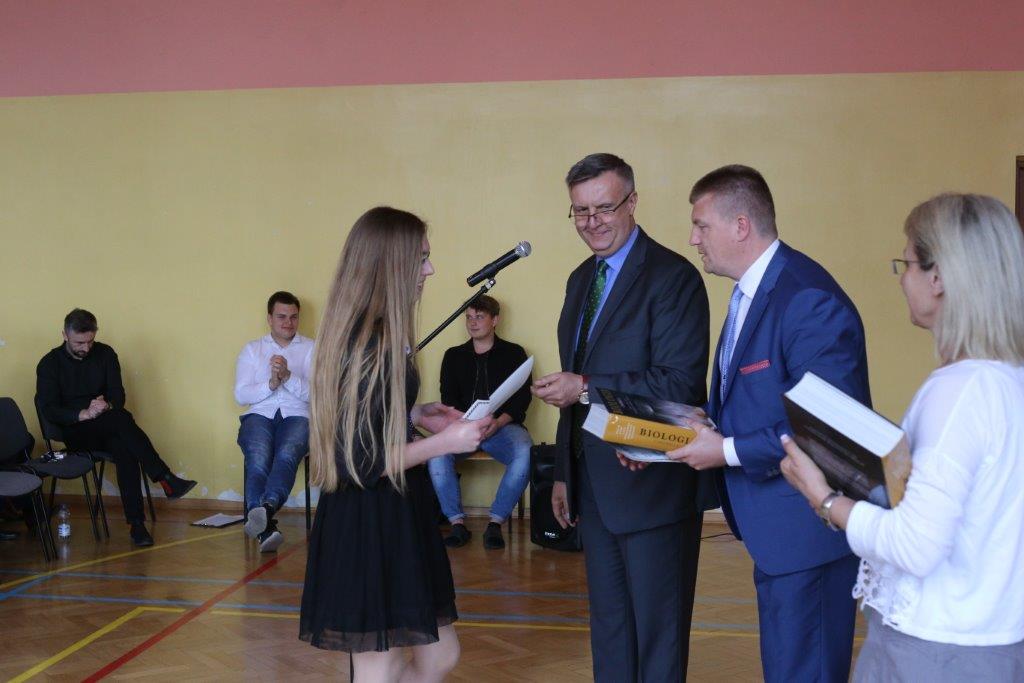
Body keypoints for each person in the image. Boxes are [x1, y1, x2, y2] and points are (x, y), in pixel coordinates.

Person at [780, 193, 1024, 680]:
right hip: (993, 640)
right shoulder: (1008, 379)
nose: (901, 278)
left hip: (934, 650)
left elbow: (915, 545)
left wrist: (825, 499)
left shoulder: (959, 392)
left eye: (906, 263)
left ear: (939, 278)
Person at [667, 165, 870, 682]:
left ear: (740, 226)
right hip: (780, 532)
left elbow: (826, 427)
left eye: (701, 225)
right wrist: (695, 424)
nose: (693, 239)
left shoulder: (806, 298)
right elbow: (760, 400)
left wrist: (724, 450)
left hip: (808, 531)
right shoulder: (756, 292)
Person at [532, 153, 710, 682]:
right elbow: (572, 382)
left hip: (653, 483)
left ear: (632, 202)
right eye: (580, 211)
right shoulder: (579, 280)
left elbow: (678, 383)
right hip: (593, 485)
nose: (592, 223)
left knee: (658, 635)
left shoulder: (673, 278)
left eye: (604, 208)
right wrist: (564, 472)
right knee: (609, 630)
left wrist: (587, 387)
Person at [299, 206, 492, 680]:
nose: (430, 269)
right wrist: (446, 442)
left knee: (439, 655)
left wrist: (415, 413)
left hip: (396, 512)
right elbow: (362, 461)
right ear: (391, 264)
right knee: (379, 668)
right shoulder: (367, 342)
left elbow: (364, 418)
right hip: (367, 520)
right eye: (421, 258)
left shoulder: (378, 332)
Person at [36, 309, 197, 547]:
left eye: (90, 341)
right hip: (75, 431)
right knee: (122, 420)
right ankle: (164, 477)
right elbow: (49, 409)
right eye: (79, 343)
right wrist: (82, 413)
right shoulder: (49, 364)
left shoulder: (106, 354)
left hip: (108, 425)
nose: (86, 348)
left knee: (124, 446)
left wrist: (106, 405)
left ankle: (137, 525)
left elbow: (118, 395)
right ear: (65, 335)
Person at [428, 295, 532, 550]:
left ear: (495, 320)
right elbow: (448, 399)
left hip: (502, 427)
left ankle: (495, 523)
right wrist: (465, 425)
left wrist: (498, 423)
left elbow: (521, 399)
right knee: (435, 453)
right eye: (469, 318)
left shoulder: (514, 353)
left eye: (480, 317)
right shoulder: (453, 356)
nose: (472, 323)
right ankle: (456, 524)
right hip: (462, 428)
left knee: (525, 450)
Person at [234, 291, 313, 553]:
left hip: (298, 415)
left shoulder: (312, 348)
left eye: (293, 317)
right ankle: (266, 525)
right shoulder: (252, 349)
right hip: (260, 415)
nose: (288, 322)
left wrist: (288, 377)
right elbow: (241, 395)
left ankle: (264, 513)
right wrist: (271, 384)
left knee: (287, 455)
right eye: (281, 316)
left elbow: (319, 394)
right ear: (269, 318)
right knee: (258, 459)